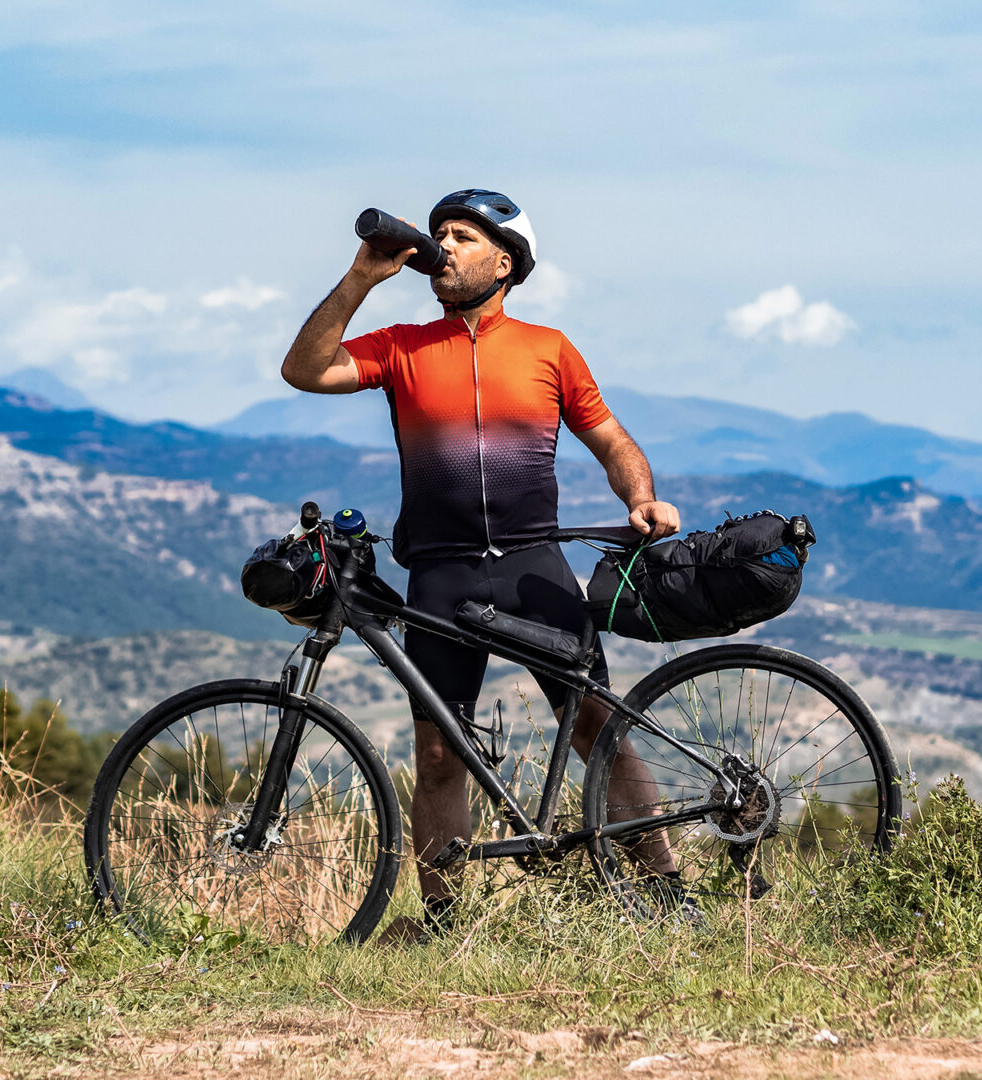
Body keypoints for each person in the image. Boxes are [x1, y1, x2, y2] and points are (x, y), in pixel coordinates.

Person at [280, 189, 681, 937]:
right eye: (438, 236)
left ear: (505, 262)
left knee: (595, 725)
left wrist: (642, 498)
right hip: (440, 572)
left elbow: (612, 439)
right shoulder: (401, 345)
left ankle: (664, 885)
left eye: (463, 236)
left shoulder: (548, 348)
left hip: (534, 568)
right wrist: (361, 278)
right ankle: (442, 920)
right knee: (438, 751)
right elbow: (304, 370)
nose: (444, 247)